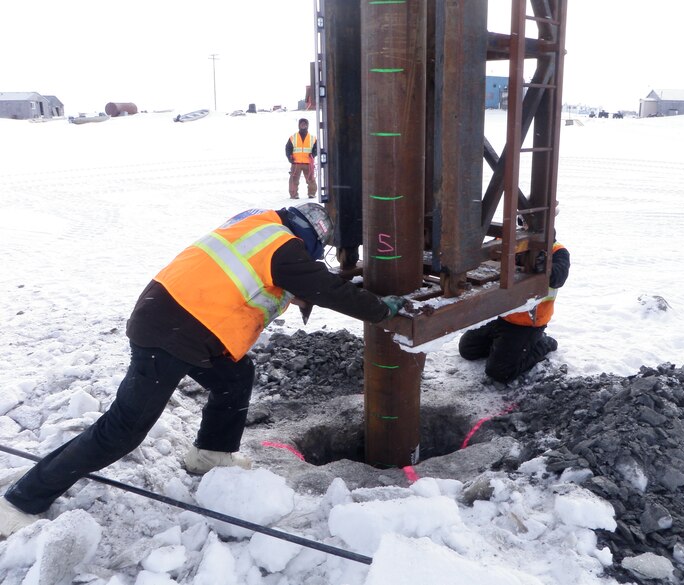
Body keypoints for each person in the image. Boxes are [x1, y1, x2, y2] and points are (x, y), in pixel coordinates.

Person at [0, 203, 407, 537]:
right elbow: (327, 288)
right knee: (122, 430)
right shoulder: (284, 247)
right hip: (171, 332)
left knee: (235, 377)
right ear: (309, 237)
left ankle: (211, 454)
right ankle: (21, 501)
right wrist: (377, 308)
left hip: (178, 321)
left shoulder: (256, 225)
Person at [458, 240, 570, 383]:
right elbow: (486, 254)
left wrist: (544, 266)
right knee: (468, 349)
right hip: (501, 315)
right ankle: (505, 347)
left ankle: (543, 343)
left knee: (500, 372)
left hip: (526, 323)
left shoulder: (557, 251)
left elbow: (558, 278)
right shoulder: (509, 239)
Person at [285, 118, 318, 199]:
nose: (303, 125)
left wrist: (313, 154)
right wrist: (289, 157)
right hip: (296, 163)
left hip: (308, 163)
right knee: (293, 180)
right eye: (302, 124)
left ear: (307, 125)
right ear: (299, 125)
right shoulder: (293, 137)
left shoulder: (313, 138)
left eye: (305, 124)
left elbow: (316, 149)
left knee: (311, 179)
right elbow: (288, 148)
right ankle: (294, 194)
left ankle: (312, 193)